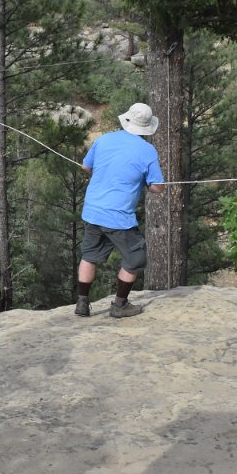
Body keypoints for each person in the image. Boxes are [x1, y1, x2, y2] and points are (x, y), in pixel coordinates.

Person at [75, 102, 166, 319]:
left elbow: (86, 166)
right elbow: (157, 187)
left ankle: (82, 304)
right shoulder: (147, 151)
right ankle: (120, 305)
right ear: (146, 127)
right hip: (119, 217)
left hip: (93, 211)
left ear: (127, 120)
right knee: (136, 258)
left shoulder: (104, 139)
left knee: (89, 256)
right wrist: (145, 183)